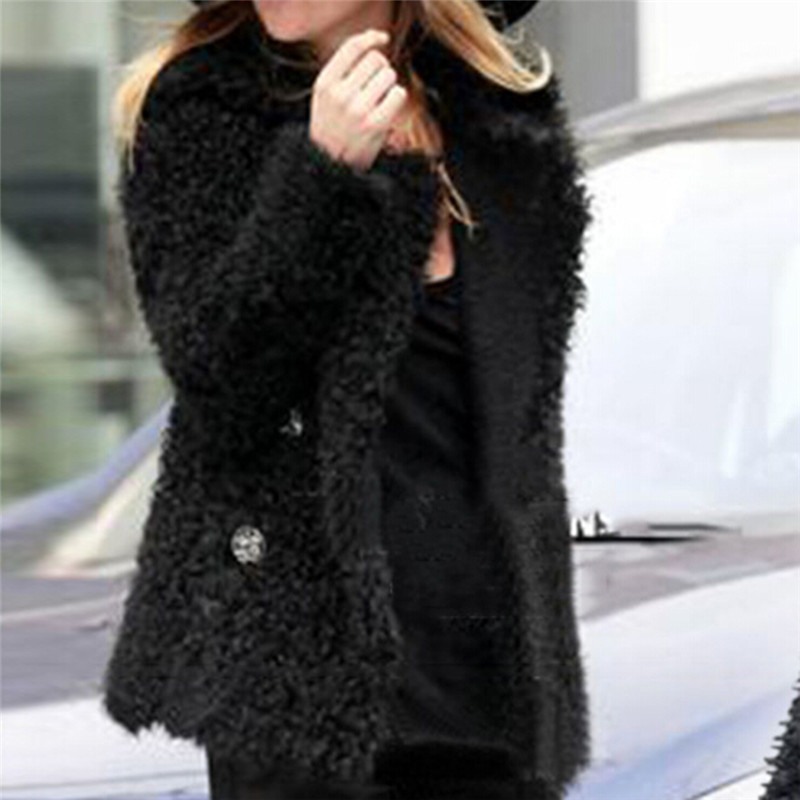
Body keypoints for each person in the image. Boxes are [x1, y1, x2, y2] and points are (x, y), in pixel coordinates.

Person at [102, 1, 593, 798]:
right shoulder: (199, 107)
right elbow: (221, 384)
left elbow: (518, 436)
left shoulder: (495, 111)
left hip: (488, 691)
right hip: (310, 694)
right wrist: (322, 173)